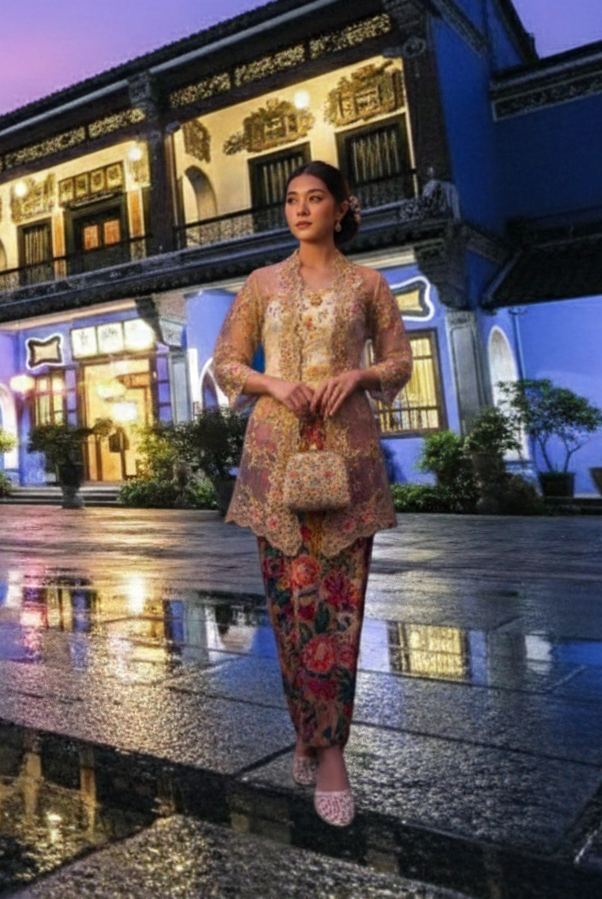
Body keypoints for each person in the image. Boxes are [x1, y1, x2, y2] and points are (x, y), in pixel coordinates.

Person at [212, 160, 413, 827]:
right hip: (276, 454)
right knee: (290, 608)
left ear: (342, 206)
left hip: (347, 455)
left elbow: (399, 362)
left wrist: (355, 378)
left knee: (338, 606)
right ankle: (308, 725)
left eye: (315, 198)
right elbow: (226, 363)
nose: (300, 209)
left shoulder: (369, 285)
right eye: (292, 200)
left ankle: (330, 753)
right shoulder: (263, 284)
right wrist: (274, 385)